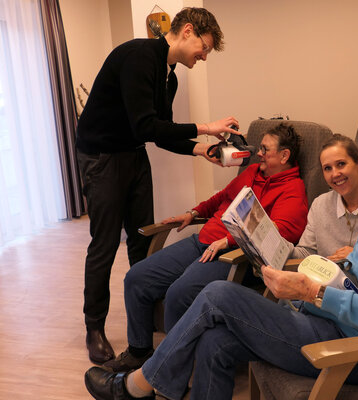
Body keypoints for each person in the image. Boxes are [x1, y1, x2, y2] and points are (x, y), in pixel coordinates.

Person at [84, 128, 358, 400]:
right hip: (330, 318)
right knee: (215, 342)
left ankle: (138, 386)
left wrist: (316, 294)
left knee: (218, 294)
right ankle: (148, 384)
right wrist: (307, 281)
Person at [76, 7, 241, 364]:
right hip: (102, 156)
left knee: (141, 237)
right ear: (187, 31)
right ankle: (94, 327)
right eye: (204, 47)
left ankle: (144, 313)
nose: (204, 56)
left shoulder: (171, 77)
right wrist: (205, 127)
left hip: (133, 154)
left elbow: (159, 134)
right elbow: (145, 126)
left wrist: (202, 149)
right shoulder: (138, 57)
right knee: (105, 244)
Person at [101, 123, 308, 374]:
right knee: (137, 278)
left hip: (232, 256)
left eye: (265, 149)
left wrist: (229, 241)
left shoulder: (293, 191)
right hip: (203, 240)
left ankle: (171, 373)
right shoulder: (253, 170)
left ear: (284, 156)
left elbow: (278, 236)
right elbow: (223, 197)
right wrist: (194, 212)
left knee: (180, 294)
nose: (259, 153)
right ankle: (139, 351)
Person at [289, 133, 358, 261]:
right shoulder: (320, 205)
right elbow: (307, 254)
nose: (334, 174)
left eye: (341, 164)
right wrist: (275, 244)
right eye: (327, 168)